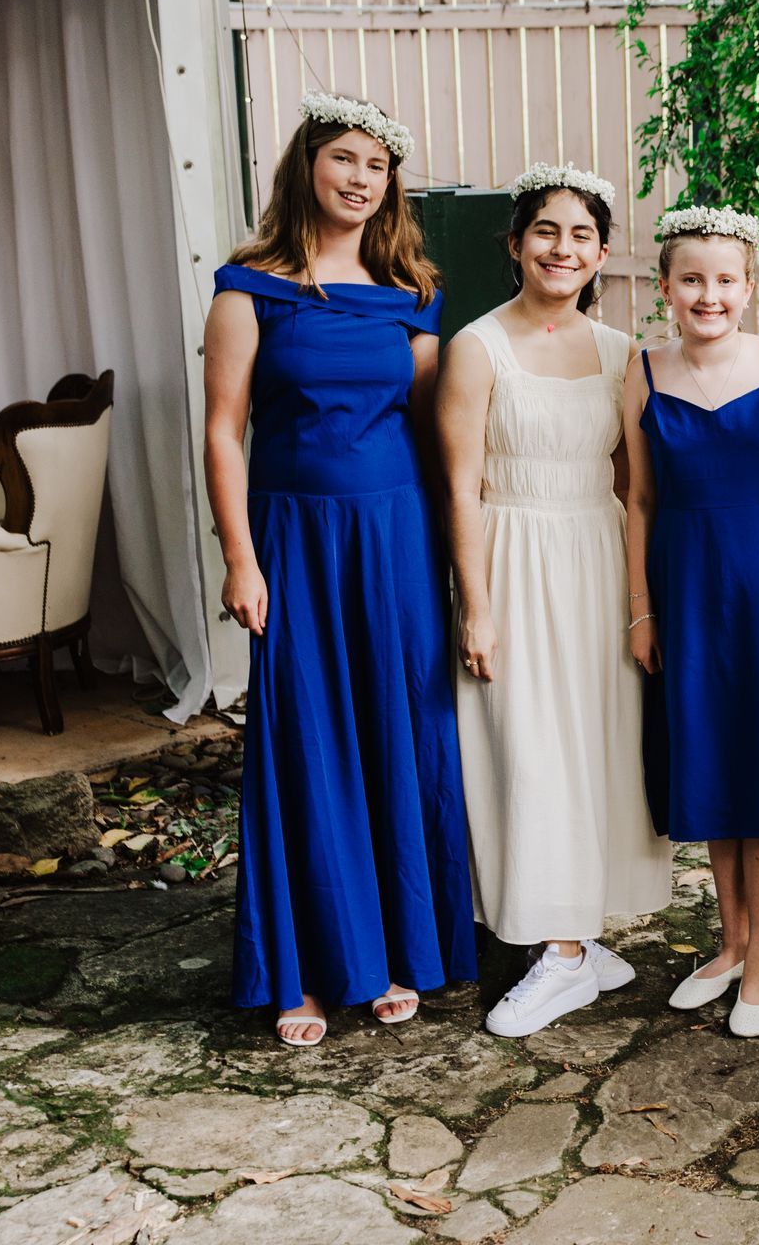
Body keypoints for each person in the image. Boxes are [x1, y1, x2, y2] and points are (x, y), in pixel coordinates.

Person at [203, 91, 475, 1047]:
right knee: (306, 740)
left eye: (377, 165)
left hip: (397, 538)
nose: (361, 180)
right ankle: (308, 969)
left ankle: (402, 950)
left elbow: (444, 437)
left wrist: (462, 564)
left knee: (401, 734)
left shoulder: (414, 294)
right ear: (306, 167)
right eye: (343, 160)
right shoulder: (250, 287)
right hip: (294, 542)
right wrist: (240, 557)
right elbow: (223, 433)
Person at [436, 163, 673, 1038]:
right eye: (546, 231)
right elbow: (460, 487)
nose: (561, 248)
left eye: (580, 235)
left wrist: (641, 601)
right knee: (524, 746)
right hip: (511, 550)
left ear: (602, 253)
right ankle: (560, 948)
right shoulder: (476, 346)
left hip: (596, 555)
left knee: (594, 748)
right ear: (515, 244)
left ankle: (579, 941)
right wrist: (478, 603)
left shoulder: (622, 356)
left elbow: (633, 485)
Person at [623, 204, 759, 1039]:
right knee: (708, 761)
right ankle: (730, 939)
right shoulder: (641, 369)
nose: (710, 295)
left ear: (750, 286)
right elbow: (638, 497)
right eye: (692, 280)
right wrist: (642, 609)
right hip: (687, 586)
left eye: (726, 280)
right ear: (666, 287)